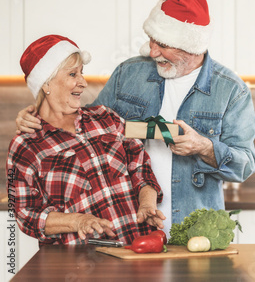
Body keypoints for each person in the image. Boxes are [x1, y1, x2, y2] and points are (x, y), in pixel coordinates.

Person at [16, 0, 255, 235]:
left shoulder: (231, 91)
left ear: (189, 46)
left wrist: (204, 147)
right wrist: (38, 115)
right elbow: (84, 128)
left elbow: (245, 165)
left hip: (195, 231)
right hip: (131, 231)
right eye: (152, 40)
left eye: (162, 44)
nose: (152, 51)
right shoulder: (128, 74)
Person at [8, 35, 165, 245]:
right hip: (80, 266)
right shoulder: (26, 145)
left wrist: (147, 203)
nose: (82, 82)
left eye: (81, 73)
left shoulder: (106, 117)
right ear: (46, 83)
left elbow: (140, 166)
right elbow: (26, 215)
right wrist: (77, 221)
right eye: (73, 74)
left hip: (140, 251)